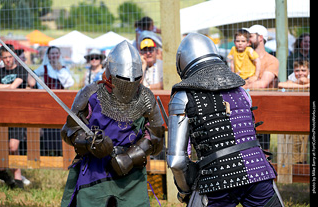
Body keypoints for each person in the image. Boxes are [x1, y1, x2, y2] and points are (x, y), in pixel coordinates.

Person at [167, 33, 283, 207]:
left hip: (217, 178)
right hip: (257, 171)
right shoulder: (241, 91)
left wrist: (185, 191)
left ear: (183, 63)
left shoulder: (183, 97)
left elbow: (176, 161)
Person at [60, 40, 165, 207]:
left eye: (133, 80)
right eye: (123, 80)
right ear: (110, 72)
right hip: (95, 171)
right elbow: (69, 131)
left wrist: (131, 157)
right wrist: (89, 143)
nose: (127, 86)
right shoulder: (90, 94)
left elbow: (156, 138)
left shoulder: (145, 97)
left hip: (132, 174)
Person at [0, 44, 35, 189]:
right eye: (5, 57)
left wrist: (2, 87)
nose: (8, 60)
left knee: (13, 147)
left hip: (19, 114)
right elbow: (12, 86)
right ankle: (13, 177)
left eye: (10, 57)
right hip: (2, 114)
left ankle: (10, 173)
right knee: (2, 146)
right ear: (1, 58)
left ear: (14, 56)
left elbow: (15, 86)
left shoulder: (21, 70)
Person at [35, 46, 74, 156]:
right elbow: (33, 74)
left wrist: (60, 70)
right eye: (52, 53)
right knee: (48, 125)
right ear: (48, 56)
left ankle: (59, 151)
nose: (54, 55)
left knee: (60, 125)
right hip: (48, 102)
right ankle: (47, 151)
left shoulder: (64, 68)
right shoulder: (45, 68)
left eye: (56, 53)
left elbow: (69, 83)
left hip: (61, 103)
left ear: (59, 54)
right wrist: (40, 87)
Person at [243, 25, 279, 89]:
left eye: (250, 36)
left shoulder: (272, 60)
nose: (247, 39)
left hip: (264, 97)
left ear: (260, 38)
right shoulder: (243, 58)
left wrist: (241, 87)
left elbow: (262, 84)